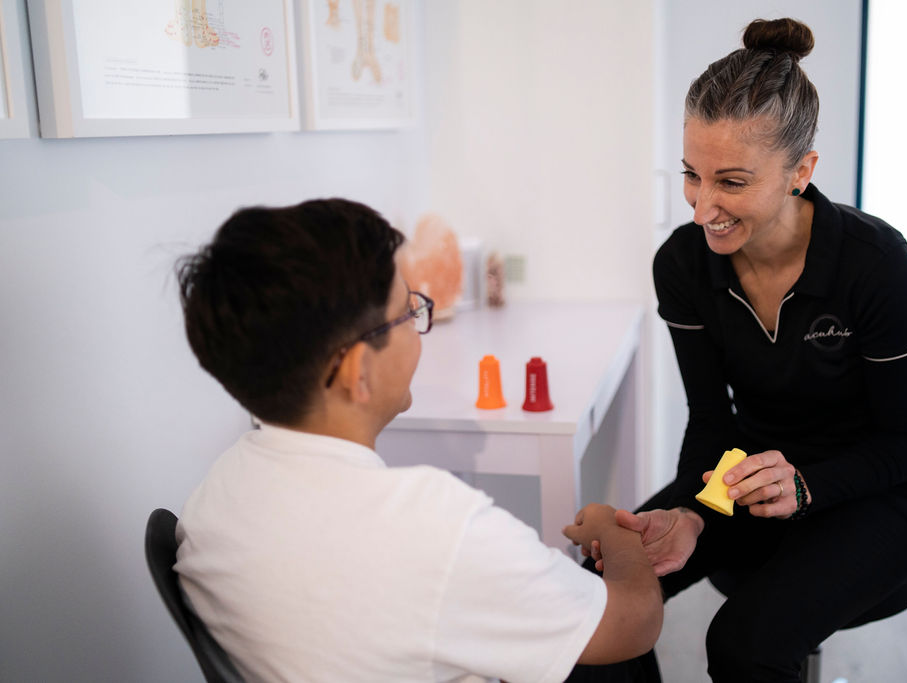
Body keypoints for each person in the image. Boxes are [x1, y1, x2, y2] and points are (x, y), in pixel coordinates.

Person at [576, 17, 907, 683]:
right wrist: (692, 511)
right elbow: (714, 423)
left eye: (732, 182)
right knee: (590, 603)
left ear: (801, 170)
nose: (702, 207)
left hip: (875, 493)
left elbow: (906, 444)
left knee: (744, 644)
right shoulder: (684, 265)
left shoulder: (874, 262)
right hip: (743, 480)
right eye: (693, 174)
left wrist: (807, 485)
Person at [172, 198, 663, 682]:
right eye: (407, 311)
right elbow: (635, 623)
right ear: (358, 373)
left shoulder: (212, 498)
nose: (419, 324)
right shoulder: (439, 528)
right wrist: (610, 529)